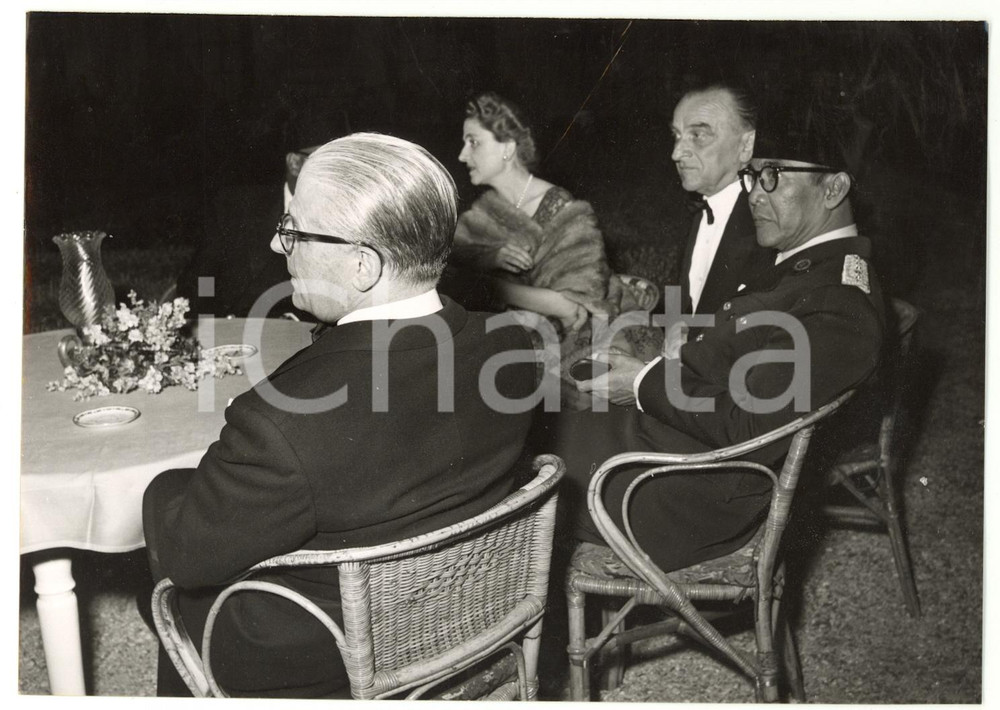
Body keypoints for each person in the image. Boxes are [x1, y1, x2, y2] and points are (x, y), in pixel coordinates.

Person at [142, 133, 539, 698]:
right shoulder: (513, 349)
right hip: (462, 618)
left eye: (294, 231)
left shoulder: (281, 421)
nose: (279, 247)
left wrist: (168, 491)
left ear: (361, 264)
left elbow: (187, 559)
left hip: (331, 655)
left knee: (164, 541)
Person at [538, 126, 887, 573]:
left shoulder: (837, 304)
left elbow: (753, 426)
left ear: (835, 188)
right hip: (668, 449)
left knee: (501, 456)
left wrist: (643, 383)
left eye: (773, 176)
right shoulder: (806, 266)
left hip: (673, 496)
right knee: (516, 403)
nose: (755, 196)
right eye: (753, 176)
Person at [672, 84, 775, 320]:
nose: (676, 153)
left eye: (698, 136)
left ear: (746, 146)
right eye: (676, 136)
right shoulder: (696, 207)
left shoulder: (768, 230)